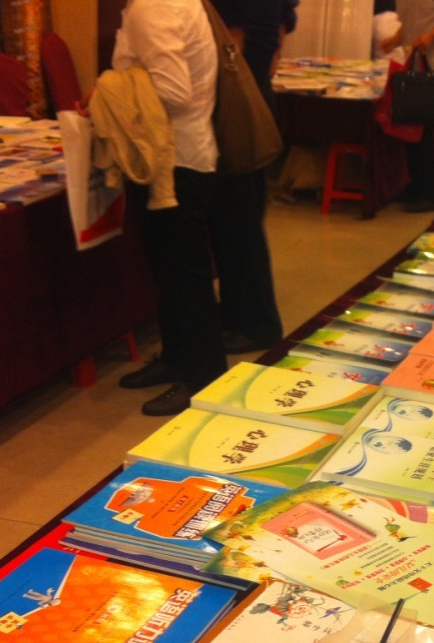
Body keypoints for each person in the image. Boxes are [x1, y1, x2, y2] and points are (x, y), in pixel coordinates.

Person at [112, 0, 226, 415]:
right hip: (177, 157)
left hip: (174, 162)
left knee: (185, 278)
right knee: (171, 274)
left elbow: (174, 92)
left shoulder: (153, 6)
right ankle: (177, 359)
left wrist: (111, 92)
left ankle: (203, 378)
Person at [208, 0, 299, 355]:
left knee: (239, 219)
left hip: (239, 100)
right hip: (240, 92)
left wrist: (238, 79)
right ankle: (236, 314)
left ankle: (255, 324)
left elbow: (263, 37)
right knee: (230, 220)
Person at [378, 0, 434, 212]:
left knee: (425, 131)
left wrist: (431, 35)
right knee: (409, 128)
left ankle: (429, 194)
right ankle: (414, 187)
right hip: (413, 64)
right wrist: (395, 39)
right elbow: (411, 23)